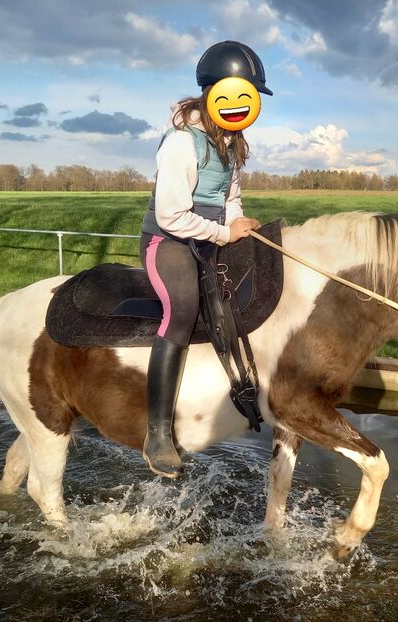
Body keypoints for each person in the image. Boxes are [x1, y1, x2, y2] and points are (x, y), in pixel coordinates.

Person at [139, 41, 272, 478]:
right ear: (217, 93)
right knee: (182, 309)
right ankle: (157, 432)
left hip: (210, 237)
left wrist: (238, 223)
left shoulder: (231, 141)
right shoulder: (181, 143)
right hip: (171, 242)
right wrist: (221, 232)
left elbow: (230, 198)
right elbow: (171, 214)